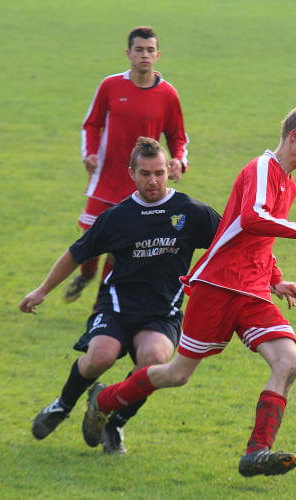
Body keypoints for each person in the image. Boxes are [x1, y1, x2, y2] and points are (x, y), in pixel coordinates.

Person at [81, 106, 296, 477]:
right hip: (217, 287)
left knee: (289, 363)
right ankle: (104, 398)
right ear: (294, 136)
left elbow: (258, 238)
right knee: (177, 374)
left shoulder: (289, 182)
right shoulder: (262, 168)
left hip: (252, 291)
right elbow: (252, 218)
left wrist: (275, 278)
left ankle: (256, 452)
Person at [19, 137, 220, 454]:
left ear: (169, 170)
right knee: (100, 357)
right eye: (144, 174)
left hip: (161, 313)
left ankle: (114, 422)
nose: (152, 181)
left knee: (153, 362)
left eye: (158, 173)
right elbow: (76, 253)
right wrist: (42, 290)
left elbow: (231, 244)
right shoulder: (118, 217)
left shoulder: (191, 211)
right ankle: (63, 404)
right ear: (132, 174)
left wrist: (271, 279)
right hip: (116, 308)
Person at [64, 26, 191, 303]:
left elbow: (177, 135)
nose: (144, 55)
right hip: (106, 179)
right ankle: (86, 274)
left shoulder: (168, 94)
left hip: (140, 185)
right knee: (90, 239)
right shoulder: (110, 86)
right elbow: (91, 124)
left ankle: (103, 301)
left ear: (157, 55)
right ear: (128, 53)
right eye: (139, 50)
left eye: (149, 50)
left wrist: (179, 159)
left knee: (119, 247)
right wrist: (90, 154)